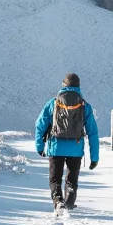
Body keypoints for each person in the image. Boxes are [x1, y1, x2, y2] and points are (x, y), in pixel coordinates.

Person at [35, 73, 100, 210]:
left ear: (63, 85)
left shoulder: (53, 103)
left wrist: (40, 146)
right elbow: (93, 132)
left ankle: (58, 200)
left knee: (55, 179)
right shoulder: (84, 105)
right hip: (75, 149)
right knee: (71, 180)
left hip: (55, 146)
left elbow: (40, 124)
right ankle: (69, 201)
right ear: (78, 86)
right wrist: (94, 158)